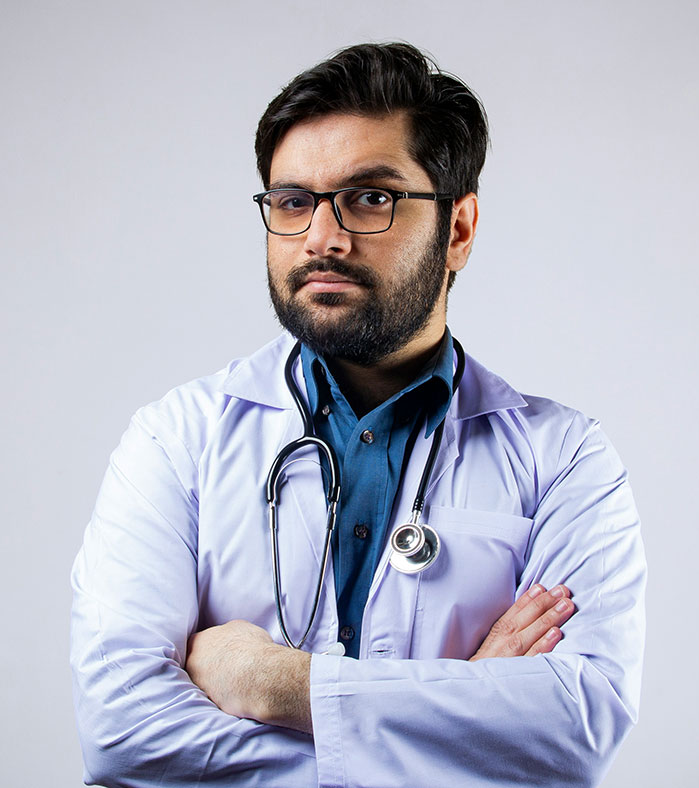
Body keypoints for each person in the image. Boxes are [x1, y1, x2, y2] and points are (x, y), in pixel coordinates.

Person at [70, 43, 645, 788]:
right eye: (292, 201)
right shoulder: (176, 439)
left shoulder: (563, 457)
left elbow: (576, 729)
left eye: (371, 198)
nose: (321, 238)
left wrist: (274, 684)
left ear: (459, 229)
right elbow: (123, 733)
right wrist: (461, 714)